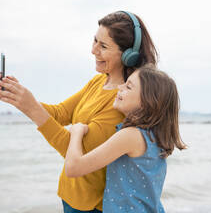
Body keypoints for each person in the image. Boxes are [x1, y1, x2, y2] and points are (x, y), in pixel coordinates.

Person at [0, 11, 158, 212]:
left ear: (128, 56)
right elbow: (61, 113)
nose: (93, 50)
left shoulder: (123, 102)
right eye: (94, 40)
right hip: (70, 196)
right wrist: (19, 97)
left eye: (103, 46)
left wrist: (31, 107)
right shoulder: (99, 81)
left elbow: (77, 154)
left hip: (91, 206)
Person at [64, 65, 187, 212]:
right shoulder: (155, 136)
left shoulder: (130, 136)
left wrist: (76, 132)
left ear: (146, 102)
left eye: (128, 87)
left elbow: (73, 168)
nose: (120, 87)